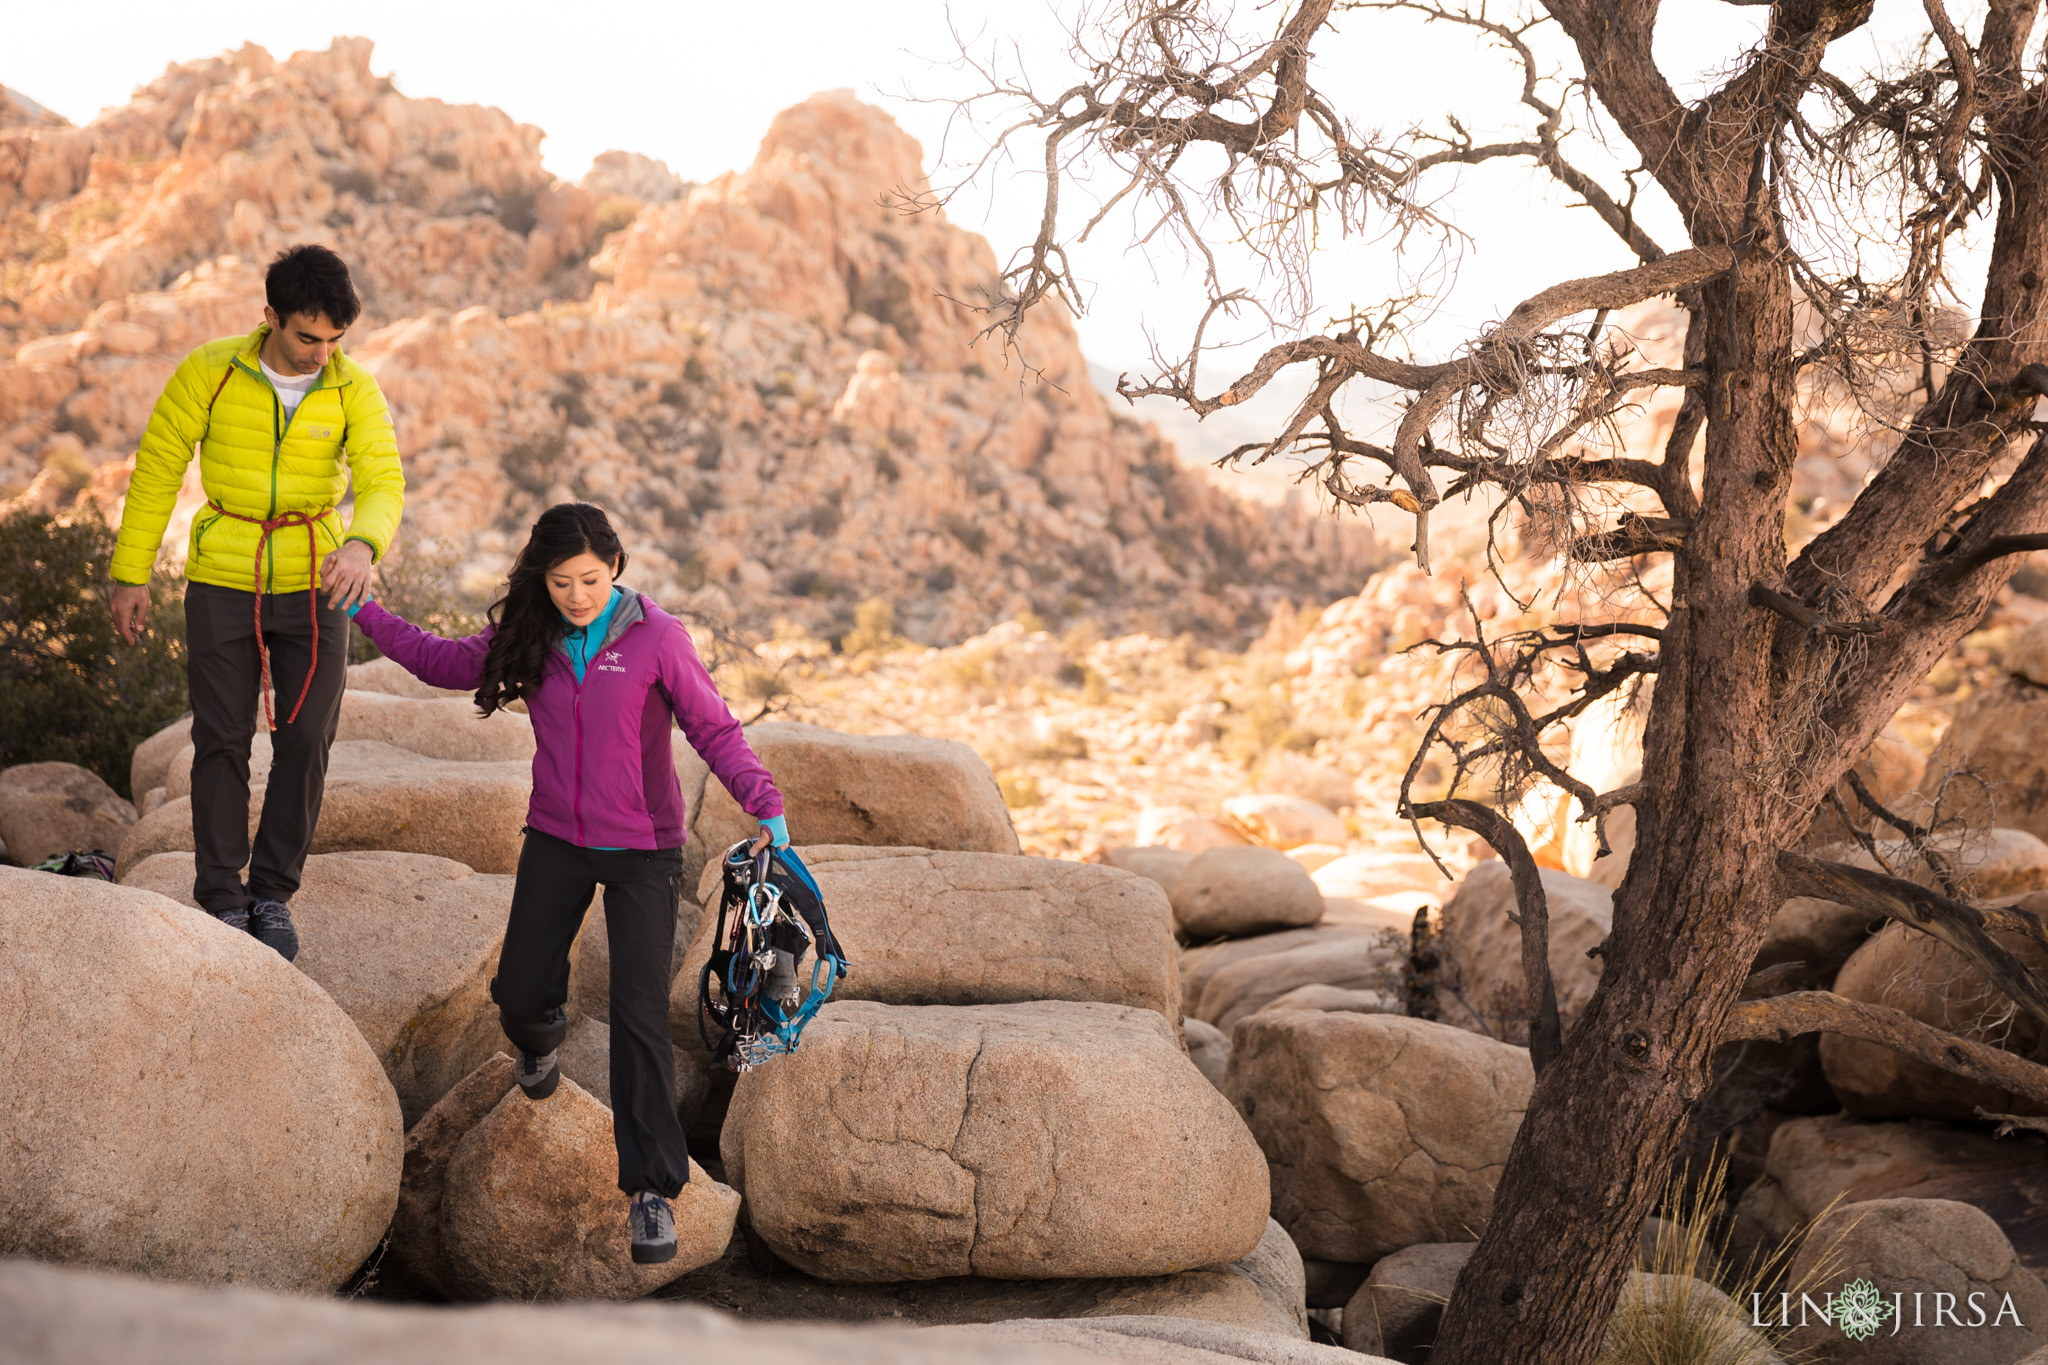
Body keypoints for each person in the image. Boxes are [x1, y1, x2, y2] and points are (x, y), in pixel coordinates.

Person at [349, 502, 787, 1266]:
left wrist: (763, 801)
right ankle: (538, 1040)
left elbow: (713, 727)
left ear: (616, 567)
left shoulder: (657, 637)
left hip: (643, 849)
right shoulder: (535, 633)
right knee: (519, 990)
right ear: (541, 579)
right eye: (561, 581)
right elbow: (445, 661)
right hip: (556, 837)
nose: (577, 595)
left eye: (590, 578)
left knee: (640, 1015)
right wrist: (368, 611)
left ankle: (652, 1191)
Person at [110, 244, 403, 960]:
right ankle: (221, 893)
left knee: (306, 738)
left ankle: (271, 892)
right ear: (268, 315)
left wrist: (364, 542)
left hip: (314, 577)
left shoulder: (352, 388)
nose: (321, 354)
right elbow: (156, 468)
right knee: (221, 737)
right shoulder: (210, 371)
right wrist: (130, 572)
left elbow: (383, 475)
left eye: (335, 340)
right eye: (307, 337)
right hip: (223, 575)